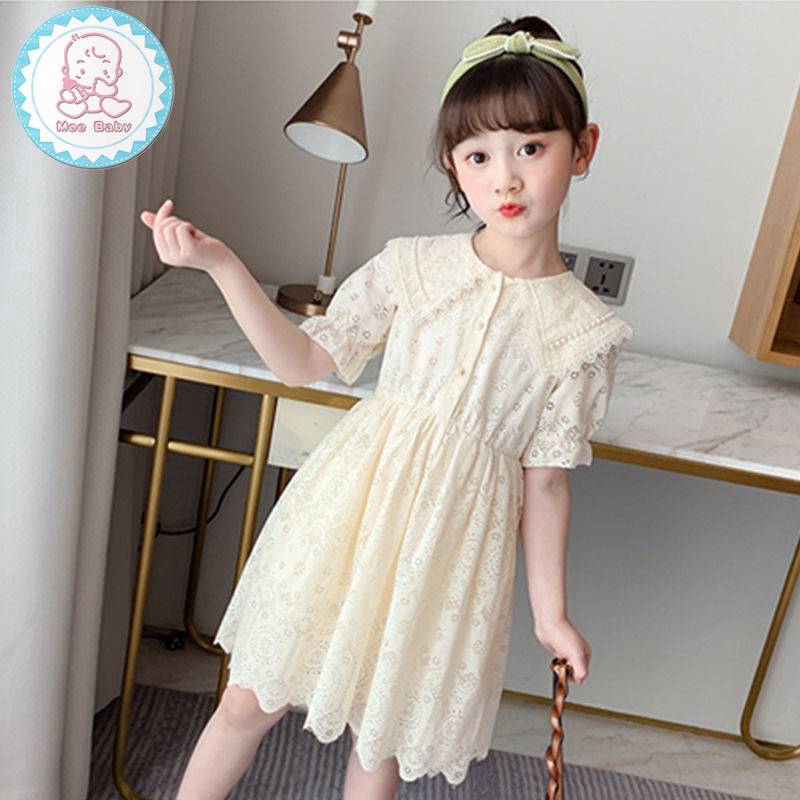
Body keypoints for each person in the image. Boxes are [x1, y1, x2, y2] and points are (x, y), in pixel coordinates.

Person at [139, 13, 633, 800]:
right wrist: (222, 264)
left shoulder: (586, 332)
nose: (505, 179)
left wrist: (553, 616)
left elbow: (545, 482)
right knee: (247, 699)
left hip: (453, 546)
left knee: (383, 738)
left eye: (531, 148)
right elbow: (303, 363)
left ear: (583, 149)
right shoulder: (412, 266)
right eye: (479, 155)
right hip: (349, 511)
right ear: (453, 165)